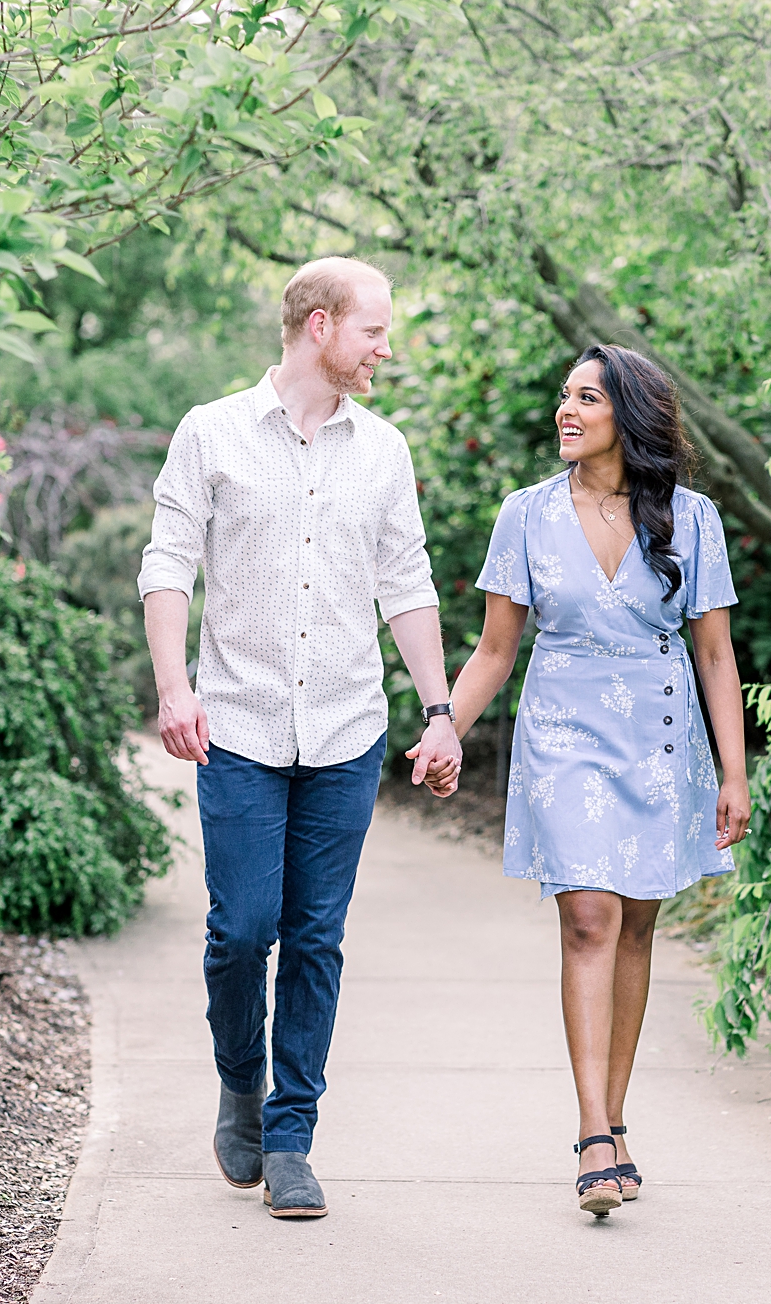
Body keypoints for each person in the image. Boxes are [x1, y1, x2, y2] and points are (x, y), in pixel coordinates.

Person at [139, 256, 464, 1221]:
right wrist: (173, 687)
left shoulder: (384, 450)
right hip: (235, 724)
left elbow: (406, 585)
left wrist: (440, 710)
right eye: (374, 331)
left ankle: (290, 1136)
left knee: (315, 939)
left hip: (345, 730)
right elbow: (168, 565)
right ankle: (239, 1082)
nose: (385, 349)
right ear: (319, 326)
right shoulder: (213, 433)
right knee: (242, 932)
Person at [423, 343, 751, 1217]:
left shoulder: (693, 519)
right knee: (589, 918)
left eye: (586, 399)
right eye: (563, 398)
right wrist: (444, 727)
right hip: (564, 731)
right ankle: (594, 1134)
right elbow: (496, 649)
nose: (565, 412)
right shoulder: (525, 515)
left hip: (662, 734)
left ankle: (615, 1116)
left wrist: (734, 774)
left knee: (636, 925)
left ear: (629, 416)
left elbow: (714, 654)